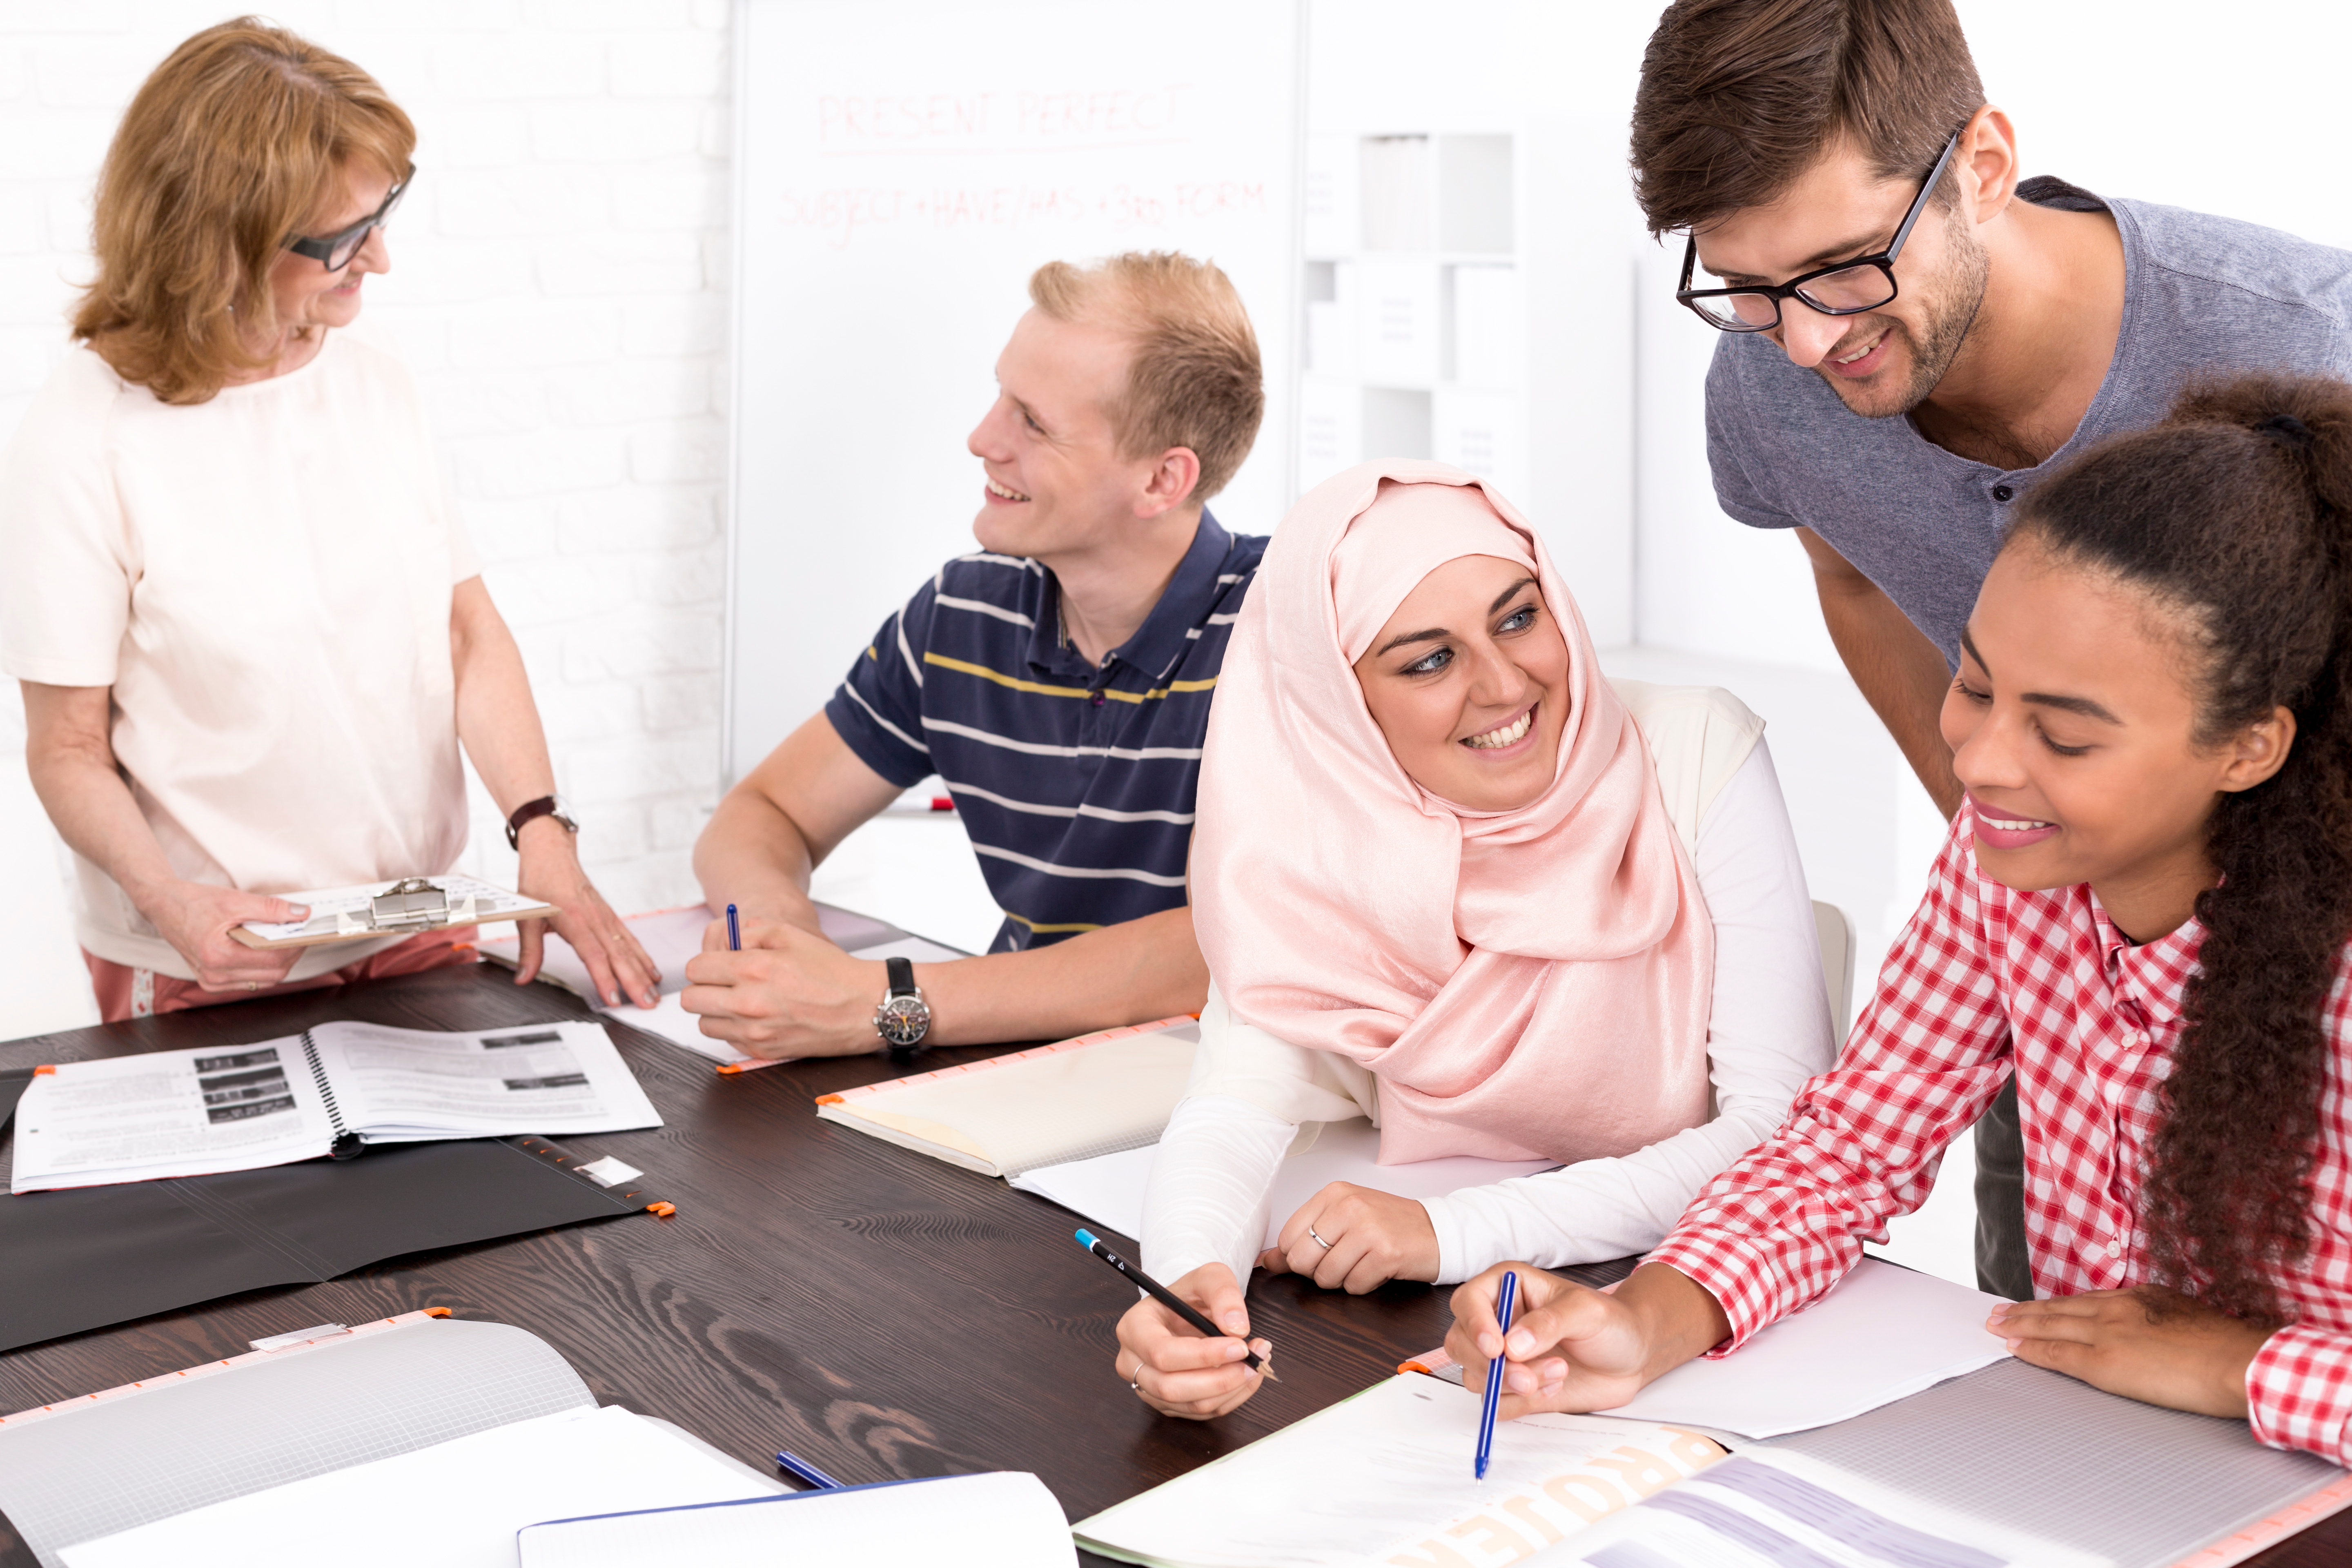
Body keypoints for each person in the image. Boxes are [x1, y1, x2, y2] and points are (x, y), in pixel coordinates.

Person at [1443, 374, 2352, 1467]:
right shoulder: (2009, 859)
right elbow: (1853, 1145)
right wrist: (1646, 1320)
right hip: (2094, 1462)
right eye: (1975, 687)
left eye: (2064, 737)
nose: (1981, 762)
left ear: (2250, 746)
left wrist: (2240, 1367)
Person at [1630, 0, 2352, 1300]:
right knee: (2059, 1332)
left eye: (1846, 267)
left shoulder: (2312, 342)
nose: (1803, 339)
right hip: (2071, 978)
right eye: (1743, 288)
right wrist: (2022, 861)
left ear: (1982, 166)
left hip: (2303, 985)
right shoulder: (1772, 381)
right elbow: (1849, 575)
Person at [1110, 461, 1835, 1419]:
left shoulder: (1696, 748)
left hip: (1699, 1312)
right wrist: (1188, 1284)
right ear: (1341, 702)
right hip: (1464, 1342)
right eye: (1427, 660)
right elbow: (1235, 1104)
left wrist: (1447, 1234)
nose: (1505, 684)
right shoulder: (1303, 840)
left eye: (1518, 617)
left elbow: (1783, 1139)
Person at [0, 21, 656, 1021]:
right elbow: (67, 750)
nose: (380, 259)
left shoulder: (376, 383)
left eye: (383, 213)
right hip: (216, 956)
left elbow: (466, 634)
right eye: (345, 238)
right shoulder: (84, 437)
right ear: (216, 244)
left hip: (414, 926)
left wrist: (540, 832)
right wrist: (172, 902)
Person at [688, 253, 1264, 1058]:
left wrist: (884, 1003)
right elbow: (763, 814)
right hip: (1018, 1082)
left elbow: (1236, 948)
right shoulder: (964, 613)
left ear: (1163, 480)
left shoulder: (1284, 638)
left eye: (1034, 422)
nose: (982, 439)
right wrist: (776, 929)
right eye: (1002, 397)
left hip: (1228, 1105)